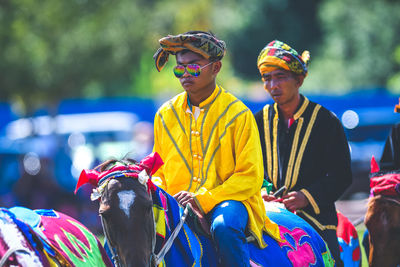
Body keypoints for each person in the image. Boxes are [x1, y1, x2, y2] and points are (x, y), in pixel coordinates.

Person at [151, 31, 280, 267]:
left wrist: (203, 200)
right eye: (179, 68)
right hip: (174, 203)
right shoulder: (164, 115)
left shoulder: (239, 114)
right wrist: (163, 195)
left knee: (224, 227)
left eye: (194, 67)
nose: (185, 74)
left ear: (216, 68)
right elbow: (158, 171)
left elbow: (250, 177)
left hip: (229, 201)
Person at [253, 40, 352, 267]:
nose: (272, 85)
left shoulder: (326, 121)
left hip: (315, 219)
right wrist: (261, 192)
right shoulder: (257, 121)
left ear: (299, 80)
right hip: (266, 215)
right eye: (267, 78)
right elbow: (249, 169)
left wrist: (306, 197)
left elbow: (342, 175)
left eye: (280, 77)